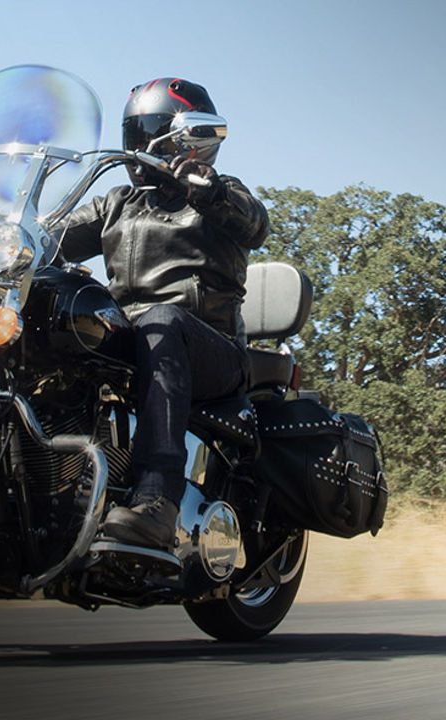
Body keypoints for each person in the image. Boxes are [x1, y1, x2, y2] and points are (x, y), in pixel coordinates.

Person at [57, 77, 270, 550]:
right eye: (134, 135)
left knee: (159, 320)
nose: (138, 147)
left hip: (209, 352)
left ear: (187, 139)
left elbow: (255, 222)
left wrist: (209, 191)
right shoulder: (116, 204)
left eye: (150, 134)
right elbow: (53, 237)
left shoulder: (219, 194)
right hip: (135, 346)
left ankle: (158, 498)